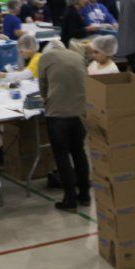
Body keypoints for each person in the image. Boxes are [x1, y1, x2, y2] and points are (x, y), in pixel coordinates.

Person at [35, 37, 93, 208]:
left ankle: (70, 199)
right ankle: (85, 195)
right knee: (79, 152)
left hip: (58, 115)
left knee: (61, 156)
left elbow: (43, 90)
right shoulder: (76, 56)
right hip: (81, 114)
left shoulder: (44, 59)